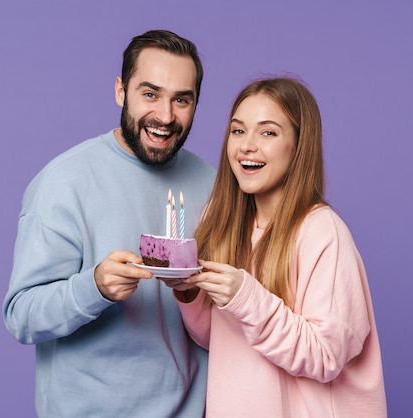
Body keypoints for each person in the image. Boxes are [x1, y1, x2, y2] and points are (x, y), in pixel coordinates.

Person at [2, 29, 216, 417]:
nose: (165, 116)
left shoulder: (215, 185)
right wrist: (94, 287)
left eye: (181, 99)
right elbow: (22, 316)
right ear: (121, 91)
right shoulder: (64, 183)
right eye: (149, 94)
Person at [165, 77, 387, 417]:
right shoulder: (226, 225)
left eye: (267, 133)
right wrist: (188, 294)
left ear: (299, 146)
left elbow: (325, 355)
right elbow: (220, 341)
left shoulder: (321, 232)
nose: (247, 146)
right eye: (238, 131)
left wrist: (246, 296)